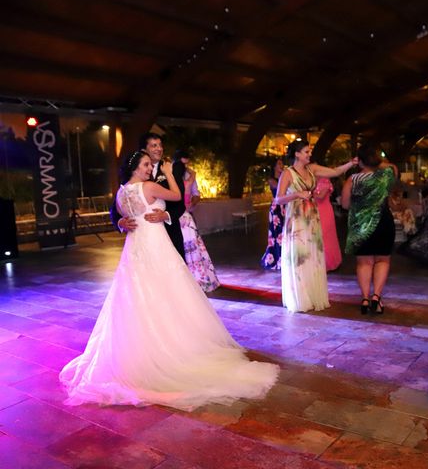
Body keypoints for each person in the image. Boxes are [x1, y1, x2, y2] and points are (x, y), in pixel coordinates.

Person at [60, 150, 278, 411]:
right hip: (154, 244)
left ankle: (143, 349)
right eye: (145, 164)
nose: (149, 167)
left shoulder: (121, 193)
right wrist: (166, 174)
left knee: (138, 295)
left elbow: (129, 214)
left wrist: (147, 217)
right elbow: (176, 196)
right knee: (168, 290)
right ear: (135, 168)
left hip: (135, 247)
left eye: (150, 164)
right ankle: (173, 346)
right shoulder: (150, 185)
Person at [274, 139, 356, 313]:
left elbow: (335, 172)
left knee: (313, 257)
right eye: (306, 151)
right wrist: (296, 194)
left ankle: (313, 295)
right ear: (297, 154)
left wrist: (351, 163)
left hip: (312, 218)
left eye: (309, 151)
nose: (309, 154)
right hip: (296, 220)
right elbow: (278, 199)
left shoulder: (313, 169)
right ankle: (300, 298)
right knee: (299, 258)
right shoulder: (288, 173)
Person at [111, 132, 186, 260]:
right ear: (144, 150)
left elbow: (180, 202)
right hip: (140, 238)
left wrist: (165, 215)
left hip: (170, 233)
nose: (159, 149)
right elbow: (116, 206)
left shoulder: (171, 169)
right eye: (154, 146)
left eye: (160, 145)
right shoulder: (132, 176)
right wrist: (120, 222)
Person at [342, 144, 397, 315]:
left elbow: (344, 204)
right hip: (383, 222)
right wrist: (377, 163)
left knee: (364, 262)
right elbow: (393, 167)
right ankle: (376, 297)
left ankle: (365, 299)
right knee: (382, 260)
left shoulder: (352, 180)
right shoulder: (385, 176)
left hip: (360, 226)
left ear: (360, 161)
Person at [175, 149, 220, 293]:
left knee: (190, 250)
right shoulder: (185, 179)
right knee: (191, 250)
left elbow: (193, 198)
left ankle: (191, 280)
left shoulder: (186, 179)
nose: (185, 168)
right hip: (182, 218)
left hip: (184, 218)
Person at [261, 159, 285, 270]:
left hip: (285, 208)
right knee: (277, 234)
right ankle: (275, 258)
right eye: (279, 164)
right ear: (274, 167)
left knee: (284, 233)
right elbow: (280, 189)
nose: (282, 165)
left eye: (282, 163)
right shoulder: (272, 180)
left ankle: (284, 257)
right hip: (276, 209)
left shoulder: (284, 178)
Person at [315, 177, 342, 271]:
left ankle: (328, 262)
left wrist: (308, 193)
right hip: (312, 210)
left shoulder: (325, 180)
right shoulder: (308, 179)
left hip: (324, 210)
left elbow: (321, 196)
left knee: (326, 235)